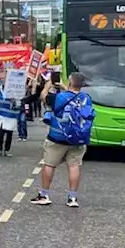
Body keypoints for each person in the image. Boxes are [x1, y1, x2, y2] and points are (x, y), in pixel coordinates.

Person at [31, 72, 93, 208]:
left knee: (49, 165)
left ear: (70, 82)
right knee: (74, 166)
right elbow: (74, 99)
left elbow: (44, 97)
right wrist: (66, 87)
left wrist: (48, 86)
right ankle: (72, 198)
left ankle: (44, 194)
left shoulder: (59, 97)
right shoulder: (86, 98)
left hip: (57, 137)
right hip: (78, 138)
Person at [0, 81, 18, 158]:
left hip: (10, 115)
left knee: (9, 134)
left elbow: (17, 102)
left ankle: (7, 150)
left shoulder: (13, 90)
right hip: (1, 115)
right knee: (0, 133)